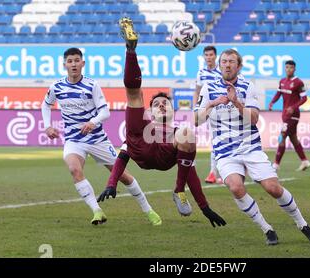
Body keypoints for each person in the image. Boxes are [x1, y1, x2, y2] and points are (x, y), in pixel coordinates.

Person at [97, 17, 226, 228]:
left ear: (173, 110)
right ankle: (130, 50)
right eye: (156, 103)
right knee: (134, 94)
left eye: (165, 103)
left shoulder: (179, 135)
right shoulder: (143, 123)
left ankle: (178, 190)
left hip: (166, 157)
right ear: (151, 110)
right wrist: (111, 184)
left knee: (187, 132)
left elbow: (191, 173)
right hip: (141, 148)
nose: (161, 105)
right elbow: (121, 157)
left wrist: (205, 207)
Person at [195, 48, 310, 245]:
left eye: (231, 62)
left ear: (239, 66)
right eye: (224, 61)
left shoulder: (248, 86)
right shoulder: (208, 88)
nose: (227, 65)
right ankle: (267, 229)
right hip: (224, 151)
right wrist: (212, 103)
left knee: (273, 188)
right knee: (235, 187)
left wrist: (236, 101)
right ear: (220, 65)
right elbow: (196, 120)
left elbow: (254, 119)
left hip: (250, 147)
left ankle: (302, 224)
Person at [41, 47, 161, 225]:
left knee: (124, 177)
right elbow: (45, 105)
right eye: (70, 61)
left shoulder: (91, 85)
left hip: (97, 140)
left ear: (83, 63)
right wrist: (47, 126)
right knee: (74, 169)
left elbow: (105, 112)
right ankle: (97, 211)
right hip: (74, 140)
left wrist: (93, 122)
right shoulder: (56, 87)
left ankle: (148, 210)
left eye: (76, 60)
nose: (73, 64)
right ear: (64, 64)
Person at [268, 60, 310, 172]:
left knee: (282, 135)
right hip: (285, 114)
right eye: (287, 67)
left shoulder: (298, 82)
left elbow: (304, 98)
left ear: (294, 69)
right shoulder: (282, 81)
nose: (288, 69)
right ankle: (304, 161)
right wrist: (272, 102)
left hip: (293, 115)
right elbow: (278, 93)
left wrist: (293, 107)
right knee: (293, 138)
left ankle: (276, 165)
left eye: (291, 67)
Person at [194, 45, 223, 184]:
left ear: (215, 56)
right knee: (215, 140)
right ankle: (213, 172)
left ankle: (225, 171)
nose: (209, 57)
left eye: (211, 55)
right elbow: (197, 91)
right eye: (206, 55)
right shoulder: (201, 73)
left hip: (224, 109)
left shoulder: (222, 71)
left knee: (224, 140)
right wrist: (196, 108)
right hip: (210, 110)